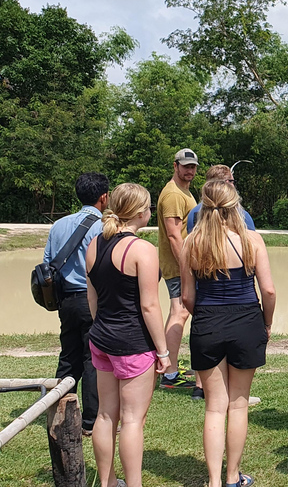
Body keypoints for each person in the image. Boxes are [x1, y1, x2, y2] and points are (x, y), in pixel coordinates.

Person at [180, 180, 276, 487]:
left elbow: (187, 298)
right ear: (235, 205)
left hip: (207, 320)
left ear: (203, 207)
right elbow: (269, 290)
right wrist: (267, 323)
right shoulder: (251, 240)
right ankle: (233, 476)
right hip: (247, 319)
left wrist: (207, 317)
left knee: (214, 406)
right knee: (238, 403)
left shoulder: (191, 243)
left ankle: (213, 481)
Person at [85, 183, 172, 487]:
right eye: (149, 207)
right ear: (139, 212)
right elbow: (149, 306)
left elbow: (92, 297)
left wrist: (102, 329)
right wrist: (163, 352)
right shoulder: (142, 250)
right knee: (133, 420)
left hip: (102, 339)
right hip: (132, 344)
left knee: (106, 416)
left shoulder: (95, 244)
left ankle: (108, 482)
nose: (150, 212)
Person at [43, 172, 109, 436]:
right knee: (92, 358)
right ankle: (91, 421)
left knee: (68, 356)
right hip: (91, 298)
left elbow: (48, 263)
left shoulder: (58, 225)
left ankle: (60, 410)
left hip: (66, 300)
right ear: (104, 197)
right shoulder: (102, 227)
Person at [157, 148, 200, 396]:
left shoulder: (182, 190)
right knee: (180, 312)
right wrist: (187, 268)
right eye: (185, 166)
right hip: (177, 265)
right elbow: (174, 236)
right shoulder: (173, 194)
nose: (190, 171)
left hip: (180, 263)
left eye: (193, 166)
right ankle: (170, 374)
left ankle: (168, 366)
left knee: (178, 312)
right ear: (175, 166)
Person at [187, 165, 256, 234]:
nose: (233, 186)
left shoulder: (193, 214)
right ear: (226, 183)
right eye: (232, 181)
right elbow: (252, 241)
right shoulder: (241, 215)